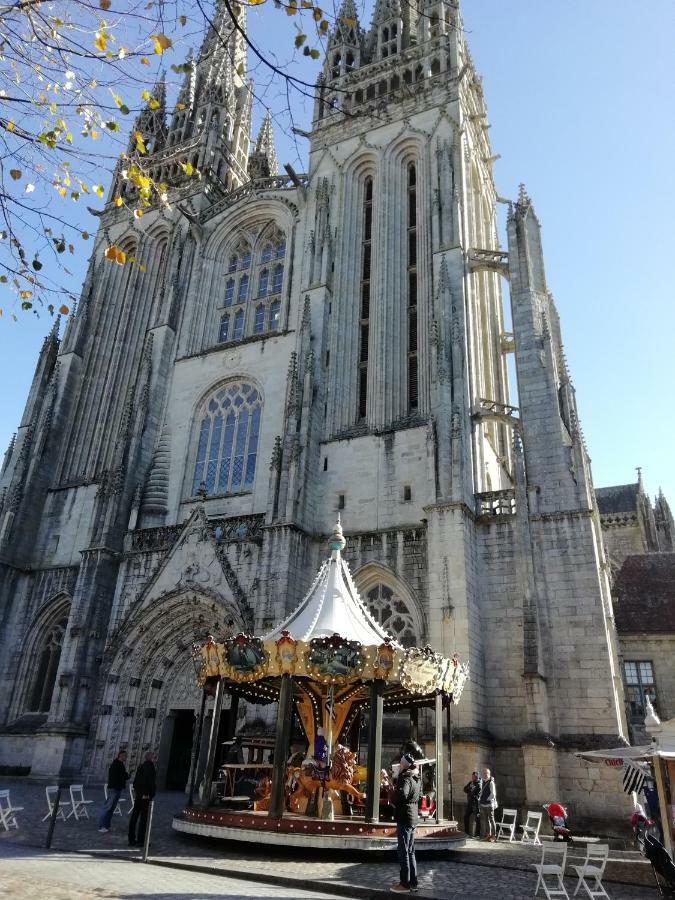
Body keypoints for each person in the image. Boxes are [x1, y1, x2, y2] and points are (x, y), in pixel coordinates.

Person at [391, 753, 421, 894]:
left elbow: (402, 794)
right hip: (412, 816)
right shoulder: (416, 777)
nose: (399, 764)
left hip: (404, 817)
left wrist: (393, 796)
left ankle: (405, 884)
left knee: (404, 851)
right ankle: (413, 882)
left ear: (403, 764)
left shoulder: (406, 777)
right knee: (410, 851)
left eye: (401, 763)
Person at [128, 752, 157, 848]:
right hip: (145, 796)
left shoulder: (141, 766)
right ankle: (141, 841)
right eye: (154, 757)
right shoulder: (150, 767)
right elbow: (148, 782)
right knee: (144, 819)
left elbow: (136, 782)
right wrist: (146, 794)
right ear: (150, 758)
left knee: (135, 816)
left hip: (139, 795)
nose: (155, 759)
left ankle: (131, 839)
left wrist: (138, 793)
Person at [98, 749, 129, 833]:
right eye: (125, 756)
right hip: (114, 789)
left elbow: (122, 776)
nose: (126, 757)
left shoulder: (120, 764)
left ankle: (107, 826)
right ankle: (102, 826)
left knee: (111, 808)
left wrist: (125, 776)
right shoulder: (115, 765)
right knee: (108, 807)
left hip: (117, 788)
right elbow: (114, 777)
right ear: (121, 756)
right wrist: (123, 777)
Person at [479, 766, 498, 842]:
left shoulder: (491, 783)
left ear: (489, 774)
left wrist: (486, 799)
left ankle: (494, 836)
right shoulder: (483, 782)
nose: (485, 774)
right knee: (486, 821)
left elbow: (493, 794)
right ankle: (488, 835)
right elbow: (482, 792)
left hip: (489, 805)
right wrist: (481, 799)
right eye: (484, 773)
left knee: (491, 820)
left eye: (486, 773)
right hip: (483, 805)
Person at [463, 770, 482, 838]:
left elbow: (475, 793)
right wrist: (470, 789)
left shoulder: (479, 784)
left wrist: (470, 790)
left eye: (474, 777)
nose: (473, 778)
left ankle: (477, 834)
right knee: (466, 817)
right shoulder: (471, 783)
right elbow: (465, 789)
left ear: (477, 777)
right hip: (470, 803)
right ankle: (466, 832)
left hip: (475, 803)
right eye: (472, 776)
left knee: (477, 818)